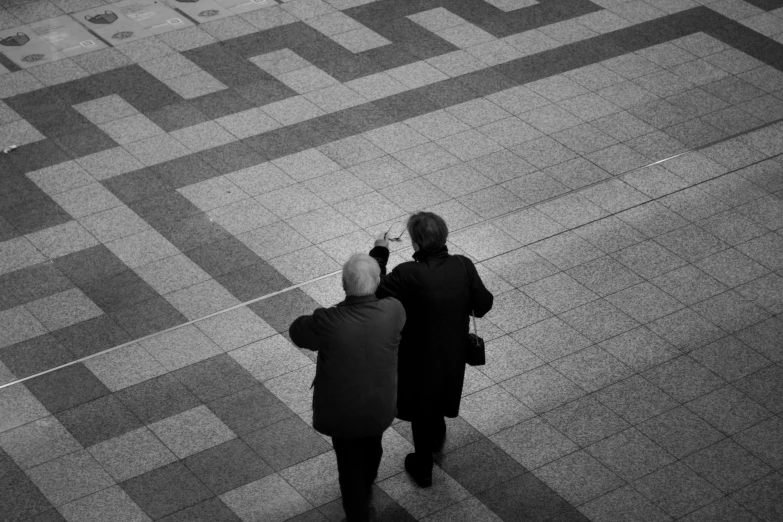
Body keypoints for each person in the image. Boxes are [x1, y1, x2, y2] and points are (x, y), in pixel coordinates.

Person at [369, 212, 494, 488]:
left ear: (415, 243)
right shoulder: (463, 265)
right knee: (440, 393)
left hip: (416, 354)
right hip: (452, 352)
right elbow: (482, 305)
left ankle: (423, 464)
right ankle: (437, 437)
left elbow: (372, 291)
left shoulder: (406, 273)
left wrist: (380, 252)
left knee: (420, 402)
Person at [290, 253, 405, 522]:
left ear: (343, 285)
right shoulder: (394, 310)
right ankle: (368, 481)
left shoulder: (328, 321)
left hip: (343, 412)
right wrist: (379, 258)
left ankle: (358, 515)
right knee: (373, 444)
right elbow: (379, 290)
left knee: (348, 466)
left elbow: (297, 331)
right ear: (377, 283)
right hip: (379, 405)